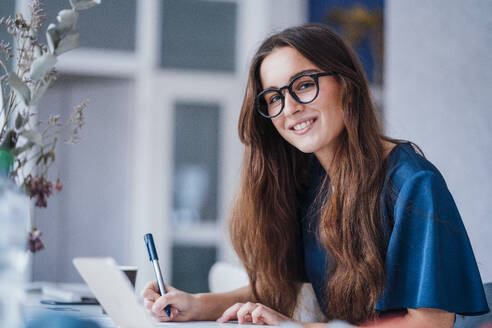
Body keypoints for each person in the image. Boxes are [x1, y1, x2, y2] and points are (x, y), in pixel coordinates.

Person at [141, 24, 489, 327]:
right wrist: (196, 304)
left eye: (304, 85)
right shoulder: (311, 180)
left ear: (346, 84)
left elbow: (430, 323)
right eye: (273, 97)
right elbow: (280, 285)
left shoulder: (413, 184)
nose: (289, 108)